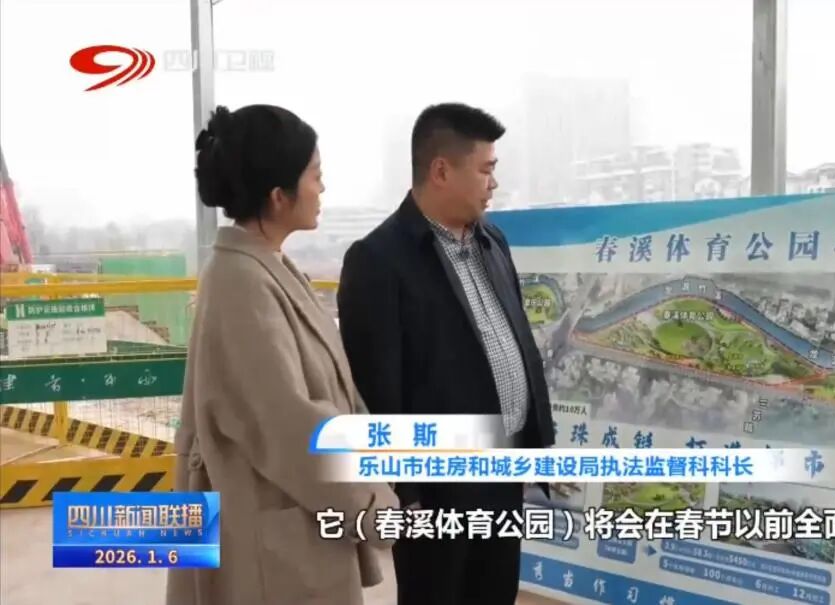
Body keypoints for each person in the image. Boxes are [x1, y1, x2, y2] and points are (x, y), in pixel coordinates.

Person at [166, 104, 398, 605]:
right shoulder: (241, 283)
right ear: (278, 196)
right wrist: (374, 505)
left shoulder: (266, 266)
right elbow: (288, 426)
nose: (322, 188)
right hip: (273, 549)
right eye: (315, 175)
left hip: (292, 524)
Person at [337, 102, 555, 605]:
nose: (493, 183)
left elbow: (517, 342)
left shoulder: (492, 242)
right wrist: (405, 494)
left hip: (504, 474)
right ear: (441, 170)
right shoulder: (378, 259)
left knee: (495, 593)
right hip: (436, 493)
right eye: (485, 169)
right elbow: (377, 389)